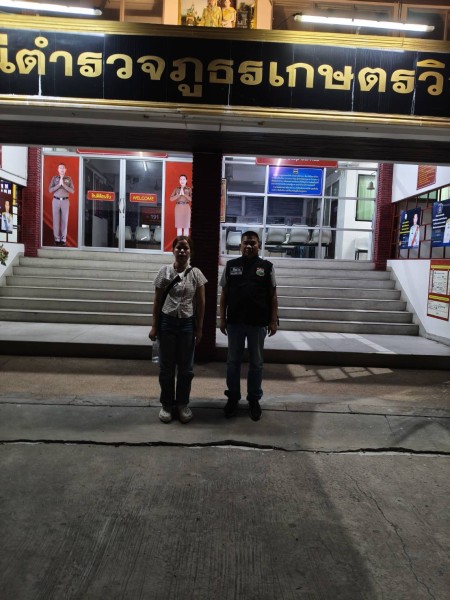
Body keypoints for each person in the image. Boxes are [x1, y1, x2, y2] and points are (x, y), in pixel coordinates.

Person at [219, 230, 278, 421]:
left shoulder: (267, 267)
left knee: (256, 363)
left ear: (259, 245)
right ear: (240, 246)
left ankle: (254, 399)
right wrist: (222, 318)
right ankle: (233, 397)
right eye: (246, 243)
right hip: (235, 322)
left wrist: (272, 320)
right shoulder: (231, 266)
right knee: (233, 362)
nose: (249, 246)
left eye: (253, 243)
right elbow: (224, 295)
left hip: (258, 323)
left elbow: (273, 296)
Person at [149, 236, 207, 424]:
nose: (182, 251)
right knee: (166, 367)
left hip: (187, 324)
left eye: (186, 248)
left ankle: (182, 404)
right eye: (178, 248)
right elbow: (157, 301)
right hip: (167, 323)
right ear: (173, 250)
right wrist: (154, 326)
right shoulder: (164, 271)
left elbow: (201, 303)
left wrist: (199, 329)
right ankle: (167, 404)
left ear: (191, 252)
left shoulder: (196, 274)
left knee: (186, 368)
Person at [48, 163, 74, 246]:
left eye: (63, 168)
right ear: (58, 169)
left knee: (64, 220)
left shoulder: (69, 179)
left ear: (65, 169)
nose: (62, 169)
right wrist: (59, 185)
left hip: (65, 201)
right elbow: (50, 190)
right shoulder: (54, 178)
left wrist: (63, 185)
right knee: (56, 220)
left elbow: (72, 191)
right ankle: (56, 238)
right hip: (56, 200)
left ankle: (63, 238)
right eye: (60, 168)